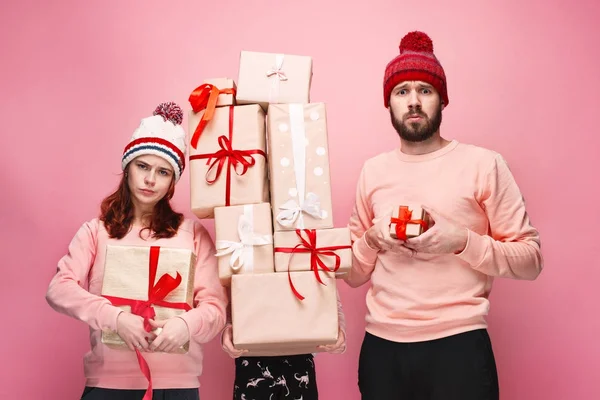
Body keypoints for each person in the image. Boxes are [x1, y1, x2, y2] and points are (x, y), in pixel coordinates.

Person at [344, 31, 543, 400]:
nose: (414, 102)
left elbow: (531, 260)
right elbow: (354, 275)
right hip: (382, 349)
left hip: (459, 344)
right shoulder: (372, 171)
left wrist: (461, 242)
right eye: (402, 92)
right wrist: (372, 239)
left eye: (425, 90)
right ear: (388, 103)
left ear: (442, 100)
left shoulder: (483, 164)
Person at [45, 102, 228, 400]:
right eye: (142, 166)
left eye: (163, 172)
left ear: (173, 182)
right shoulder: (95, 231)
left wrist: (186, 325)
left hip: (178, 387)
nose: (150, 179)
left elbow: (216, 308)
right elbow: (59, 288)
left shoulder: (192, 234)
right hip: (108, 386)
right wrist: (115, 318)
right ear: (127, 168)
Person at [221, 290, 347, 400]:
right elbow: (236, 292)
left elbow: (329, 296)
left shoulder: (312, 261)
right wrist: (228, 329)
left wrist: (339, 330)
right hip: (251, 358)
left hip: (300, 357)